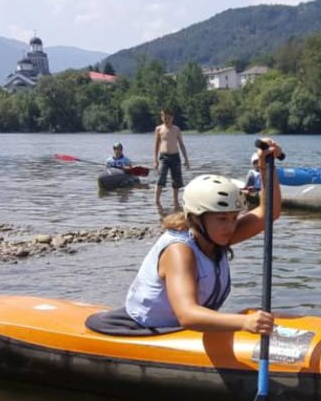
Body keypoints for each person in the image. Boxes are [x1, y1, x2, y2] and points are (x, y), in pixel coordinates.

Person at [119, 139, 283, 333]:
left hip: (185, 328)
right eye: (222, 219)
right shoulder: (179, 251)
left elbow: (268, 212)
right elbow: (187, 315)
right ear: (197, 219)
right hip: (150, 330)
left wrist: (266, 168)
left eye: (234, 217)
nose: (231, 226)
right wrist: (244, 323)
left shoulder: (215, 234)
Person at [153, 107, 190, 210]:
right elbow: (156, 145)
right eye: (164, 117)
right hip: (164, 157)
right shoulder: (159, 129)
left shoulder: (176, 129)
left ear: (172, 118)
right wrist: (155, 160)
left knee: (176, 180)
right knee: (161, 178)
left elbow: (181, 145)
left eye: (168, 118)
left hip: (175, 156)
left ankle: (175, 201)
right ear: (161, 117)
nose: (166, 120)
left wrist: (186, 159)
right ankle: (156, 201)